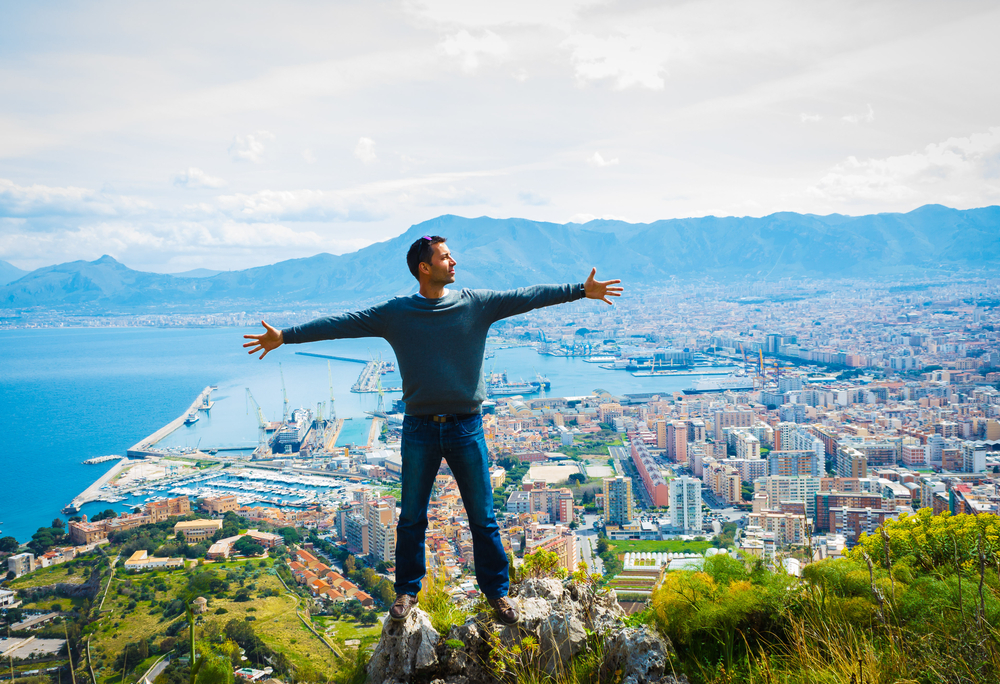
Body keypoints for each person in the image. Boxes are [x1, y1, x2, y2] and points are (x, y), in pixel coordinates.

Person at [243, 235, 622, 625]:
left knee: (483, 518)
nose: (453, 261)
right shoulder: (397, 313)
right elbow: (342, 324)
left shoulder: (476, 303)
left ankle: (497, 594)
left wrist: (580, 290)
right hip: (420, 429)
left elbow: (529, 295)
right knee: (411, 517)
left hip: (466, 427)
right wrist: (286, 336)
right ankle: (407, 592)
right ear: (425, 267)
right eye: (445, 256)